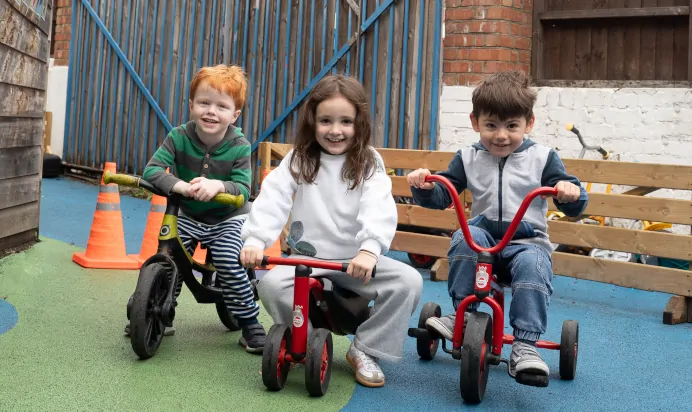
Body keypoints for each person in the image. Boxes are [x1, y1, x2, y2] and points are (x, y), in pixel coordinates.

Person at [239, 74, 423, 388]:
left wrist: (369, 249)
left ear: (359, 123)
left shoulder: (367, 162)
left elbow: (378, 203)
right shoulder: (300, 158)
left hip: (355, 261)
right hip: (306, 260)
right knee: (271, 286)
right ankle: (307, 343)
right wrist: (256, 238)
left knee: (408, 282)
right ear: (313, 122)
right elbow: (274, 196)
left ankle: (365, 349)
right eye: (326, 120)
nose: (335, 130)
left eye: (345, 122)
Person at [407, 70, 587, 380]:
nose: (501, 135)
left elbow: (574, 200)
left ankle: (525, 345)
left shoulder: (543, 159)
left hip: (526, 244)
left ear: (528, 123)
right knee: (466, 236)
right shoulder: (467, 158)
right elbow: (443, 193)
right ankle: (462, 314)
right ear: (475, 122)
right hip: (483, 244)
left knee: (533, 264)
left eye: (511, 126)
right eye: (491, 125)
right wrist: (424, 187)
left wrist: (569, 193)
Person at [124, 64, 266, 354]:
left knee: (228, 259)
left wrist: (218, 186)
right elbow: (152, 170)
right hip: (188, 214)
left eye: (221, 106)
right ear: (191, 106)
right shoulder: (178, 137)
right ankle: (163, 308)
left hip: (227, 218)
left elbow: (242, 191)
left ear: (235, 114)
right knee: (169, 252)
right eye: (204, 103)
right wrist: (178, 186)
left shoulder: (239, 146)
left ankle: (250, 323)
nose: (211, 111)